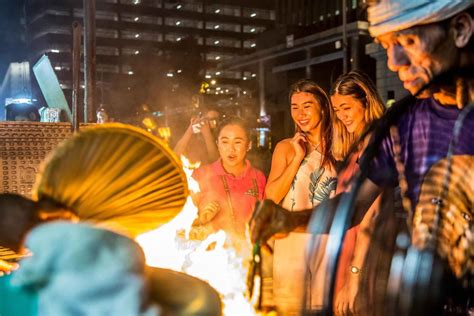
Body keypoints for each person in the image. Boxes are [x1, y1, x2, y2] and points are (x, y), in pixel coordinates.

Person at [250, 0, 474, 313]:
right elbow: (353, 205)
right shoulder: (403, 125)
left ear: (461, 30)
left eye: (407, 41)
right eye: (386, 45)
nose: (394, 62)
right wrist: (289, 219)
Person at [264, 79, 337, 314]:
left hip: (328, 239)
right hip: (292, 241)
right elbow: (272, 197)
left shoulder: (340, 146)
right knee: (291, 309)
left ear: (323, 107)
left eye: (307, 106)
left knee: (325, 307)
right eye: (294, 107)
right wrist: (297, 158)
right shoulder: (286, 147)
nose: (300, 113)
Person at [329, 71, 385, 314]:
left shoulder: (375, 144)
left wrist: (353, 277)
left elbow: (372, 216)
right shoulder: (359, 145)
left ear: (365, 101)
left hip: (365, 259)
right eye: (337, 110)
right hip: (350, 252)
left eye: (346, 108)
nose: (341, 116)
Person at [190, 116, 266, 254]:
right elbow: (180, 225)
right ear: (217, 144)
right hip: (208, 258)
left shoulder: (258, 178)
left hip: (247, 257)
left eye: (237, 142)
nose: (231, 149)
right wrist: (201, 220)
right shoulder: (200, 175)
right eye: (225, 142)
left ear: (248, 145)